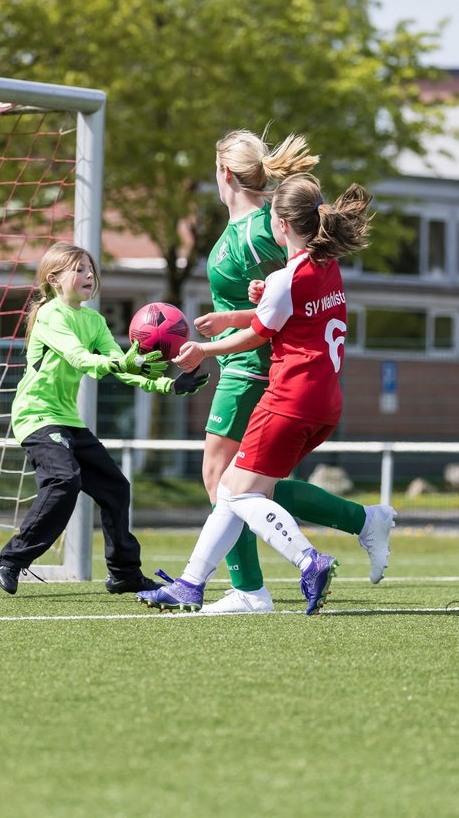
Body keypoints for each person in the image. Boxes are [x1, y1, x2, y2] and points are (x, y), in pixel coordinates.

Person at [137, 175, 372, 615]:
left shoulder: (287, 277)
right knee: (232, 488)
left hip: (288, 397)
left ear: (281, 225)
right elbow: (289, 309)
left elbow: (257, 335)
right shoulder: (326, 266)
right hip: (324, 400)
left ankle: (307, 560)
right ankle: (191, 583)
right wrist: (245, 308)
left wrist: (204, 348)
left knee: (241, 494)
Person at [191, 129, 395, 615]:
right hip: (267, 369)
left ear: (223, 172)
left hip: (259, 371)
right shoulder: (263, 227)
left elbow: (285, 302)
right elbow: (286, 296)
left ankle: (248, 589)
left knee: (226, 481)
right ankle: (363, 521)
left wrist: (210, 345)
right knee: (253, 485)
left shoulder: (267, 226)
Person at [0, 242, 209, 595]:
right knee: (65, 480)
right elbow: (82, 360)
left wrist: (169, 383)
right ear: (54, 279)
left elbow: (122, 367)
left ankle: (124, 573)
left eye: (91, 269)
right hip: (36, 416)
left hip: (67, 421)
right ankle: (12, 559)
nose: (88, 275)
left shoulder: (93, 320)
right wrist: (126, 362)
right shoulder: (51, 314)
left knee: (116, 488)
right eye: (78, 269)